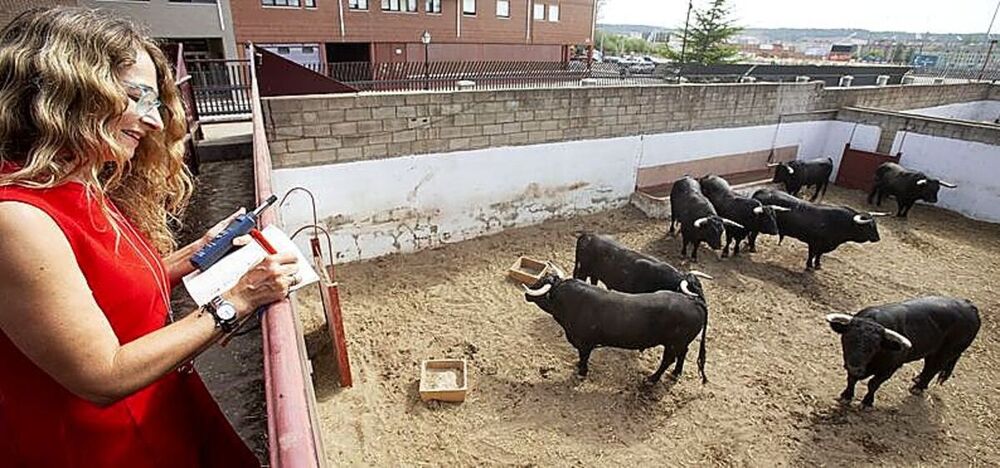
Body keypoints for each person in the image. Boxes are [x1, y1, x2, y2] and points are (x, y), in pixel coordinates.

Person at [0, 7, 300, 467]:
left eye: (154, 102)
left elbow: (104, 291)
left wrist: (197, 252)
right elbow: (102, 375)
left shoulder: (79, 182)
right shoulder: (17, 219)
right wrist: (238, 299)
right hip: (106, 444)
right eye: (137, 97)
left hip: (160, 400)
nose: (155, 121)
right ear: (69, 91)